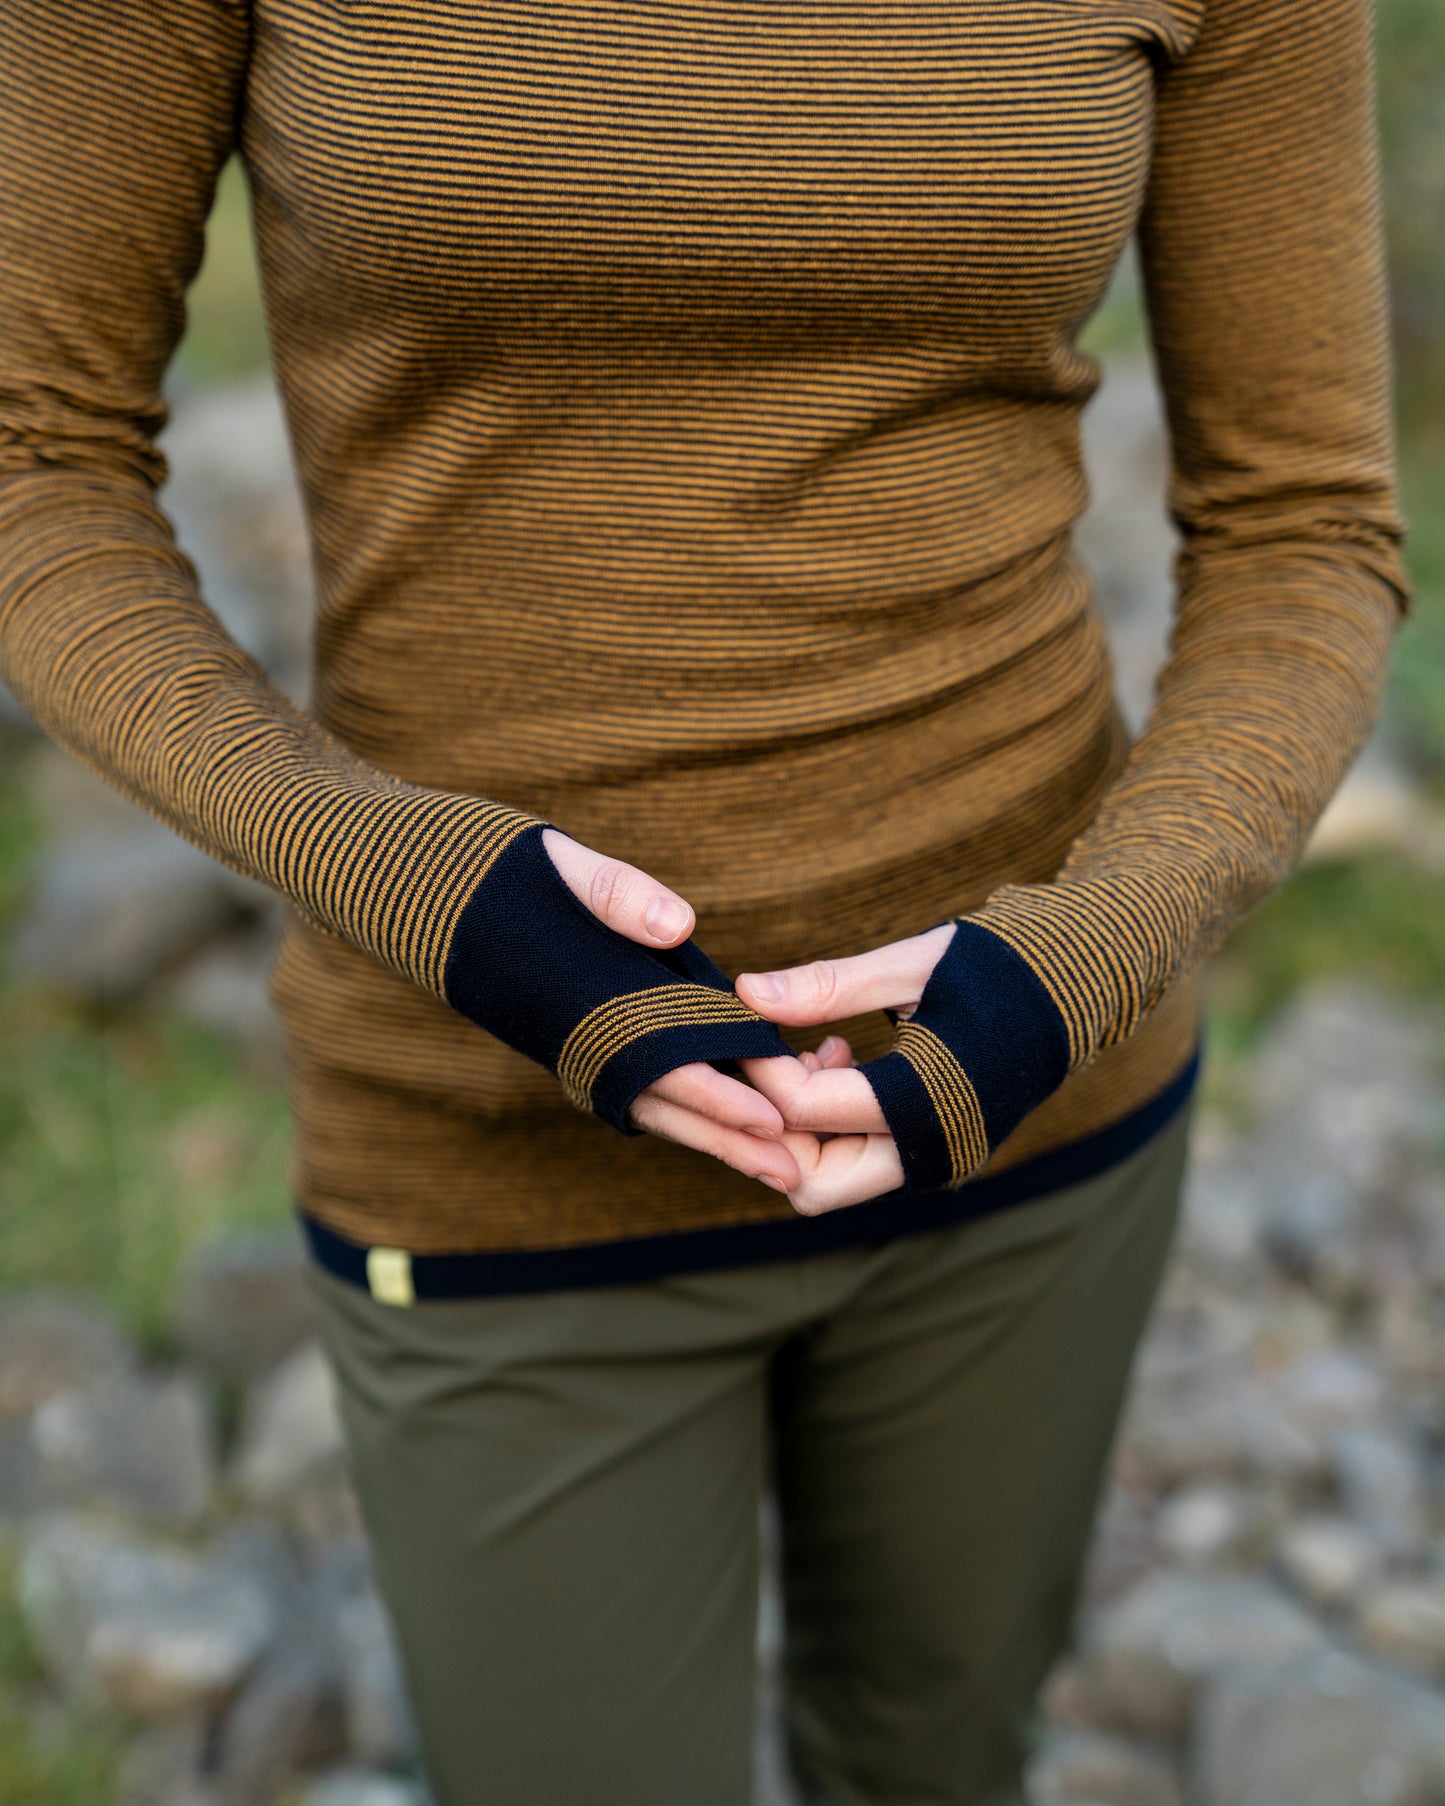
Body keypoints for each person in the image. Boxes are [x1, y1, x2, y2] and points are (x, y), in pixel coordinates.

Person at [0, 2, 1411, 1800]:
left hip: (1027, 1099)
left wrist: (1083, 957)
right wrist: (421, 887)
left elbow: (1303, 521)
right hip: (488, 1129)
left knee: (943, 1763)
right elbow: (38, 463)